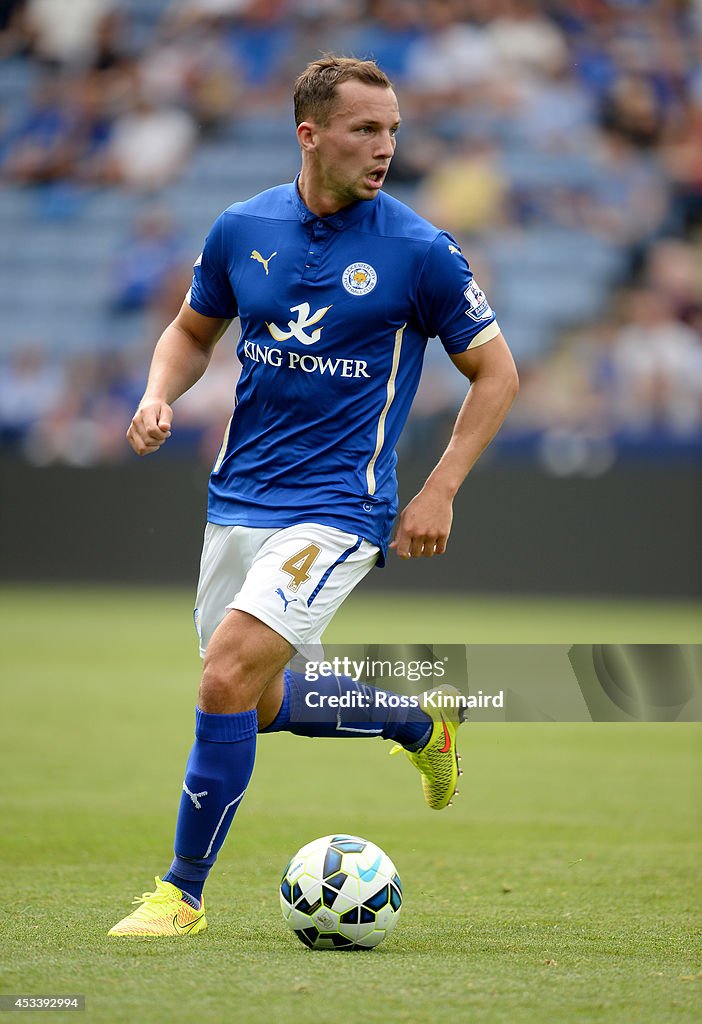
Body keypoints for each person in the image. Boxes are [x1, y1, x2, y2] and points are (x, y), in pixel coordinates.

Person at [109, 56, 518, 937]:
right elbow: (190, 331)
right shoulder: (241, 227)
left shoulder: (418, 249)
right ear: (310, 135)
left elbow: (496, 374)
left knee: (224, 676)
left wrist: (440, 488)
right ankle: (416, 722)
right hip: (239, 498)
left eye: (394, 130)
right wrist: (156, 394)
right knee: (253, 701)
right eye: (366, 130)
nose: (385, 148)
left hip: (341, 505)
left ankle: (179, 895)